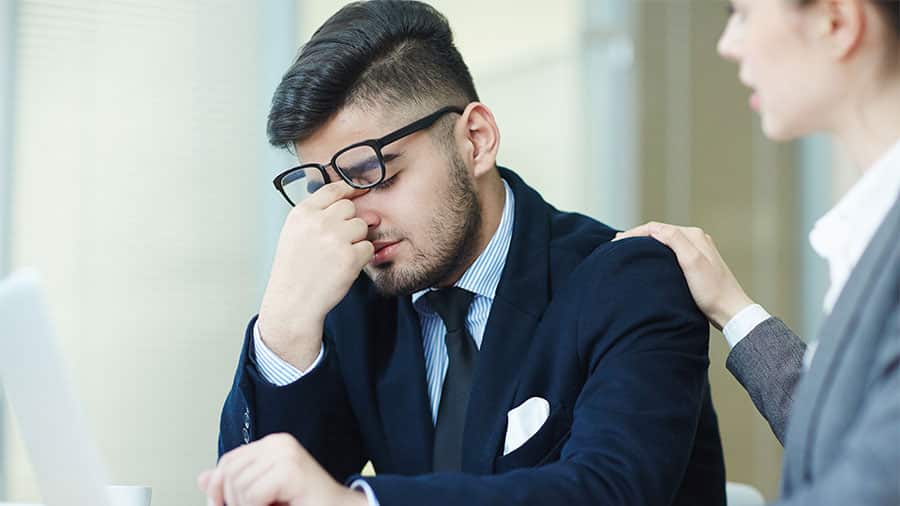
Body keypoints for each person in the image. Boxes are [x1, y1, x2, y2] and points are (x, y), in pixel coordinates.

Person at [197, 1, 726, 505]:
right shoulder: (354, 299)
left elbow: (611, 491)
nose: (355, 217)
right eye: (323, 190)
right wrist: (284, 327)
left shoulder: (630, 281)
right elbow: (267, 489)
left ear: (475, 139)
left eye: (372, 175)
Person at [616, 0, 900, 504]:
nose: (727, 44)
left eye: (742, 14)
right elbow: (850, 435)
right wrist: (732, 307)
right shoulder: (871, 223)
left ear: (837, 22)